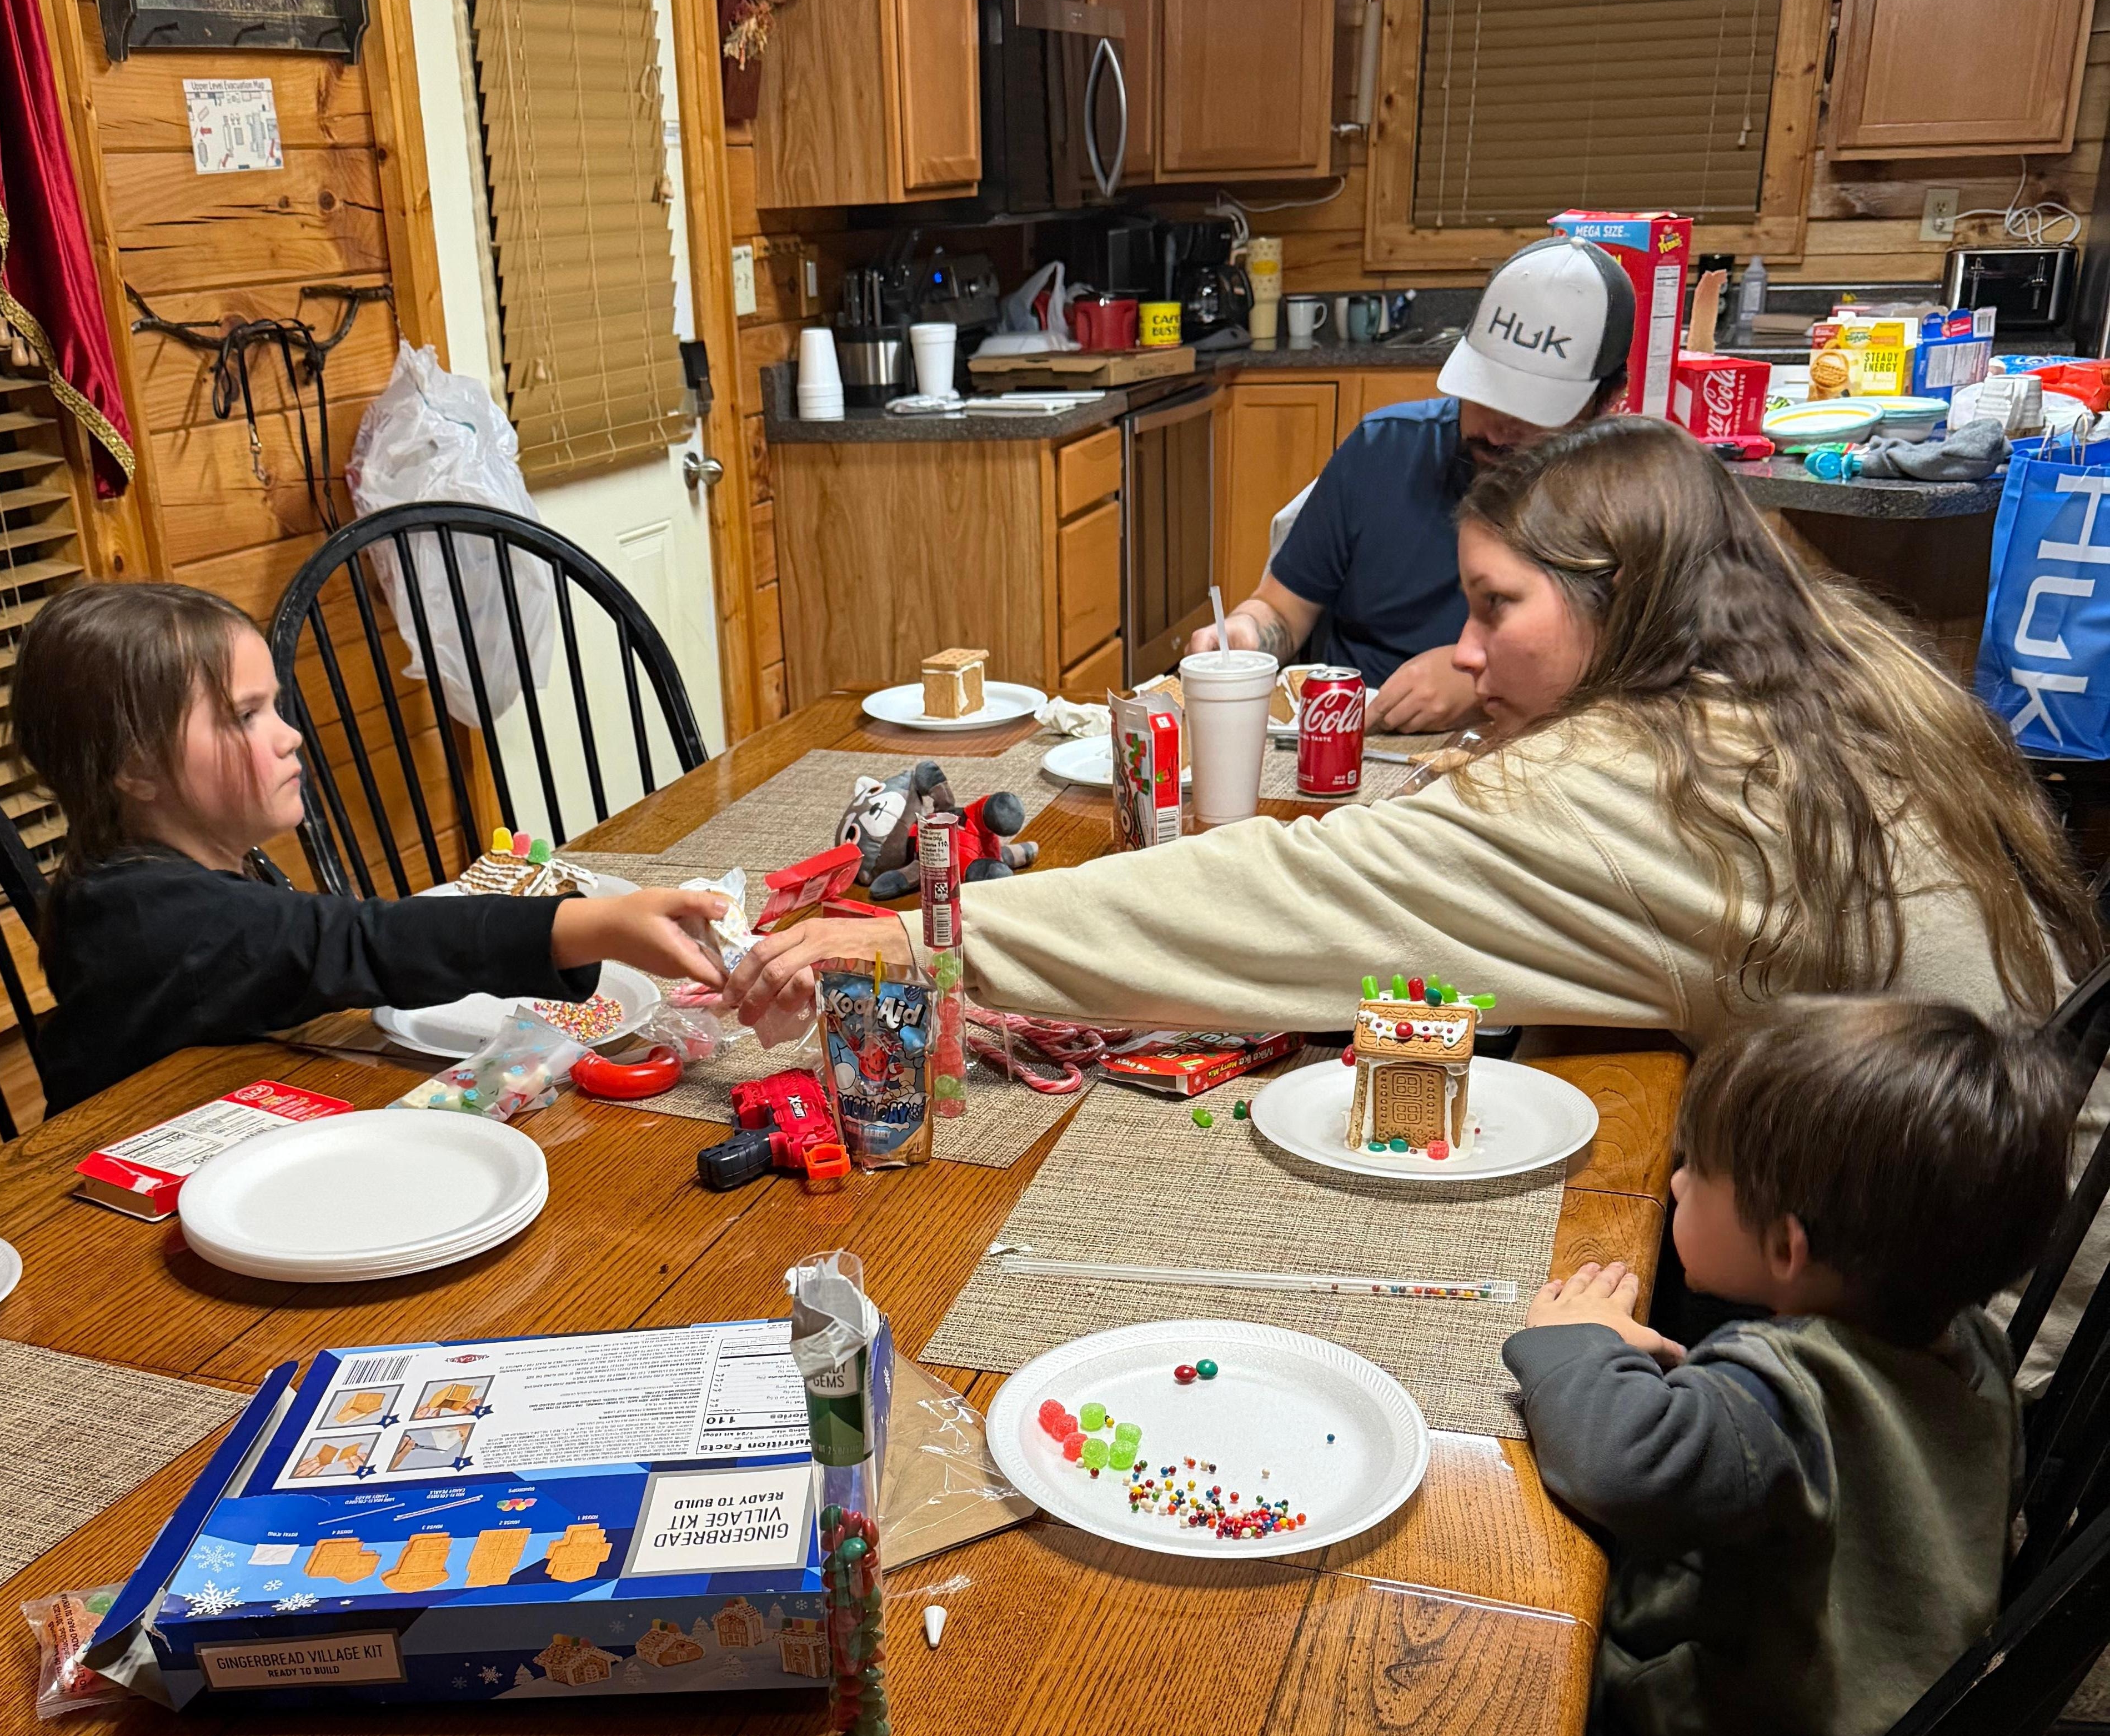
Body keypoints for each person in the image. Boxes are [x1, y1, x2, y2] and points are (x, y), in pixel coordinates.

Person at [722, 417, 2106, 1350]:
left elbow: (1274, 899)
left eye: (1499, 607)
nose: (1468, 647)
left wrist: (915, 933)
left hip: (1954, 1336)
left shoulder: (1641, 786)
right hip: (2022, 1241)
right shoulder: (1830, 661)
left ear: (1626, 601)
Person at [1504, 996, 2074, 1736]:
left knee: (1484, 1701)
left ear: (1785, 1248)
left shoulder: (1782, 1410)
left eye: (1694, 1172)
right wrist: (1676, 1375)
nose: (1674, 1183)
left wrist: (1570, 1347)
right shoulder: (1965, 1348)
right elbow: (1778, 1454)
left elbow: (1613, 1460)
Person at [11, 579, 726, 1116]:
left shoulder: (177, 872)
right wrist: (591, 925)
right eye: (245, 715)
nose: (289, 734)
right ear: (135, 769)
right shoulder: (144, 913)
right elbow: (361, 942)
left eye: (275, 705)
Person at [1186, 235, 1636, 734]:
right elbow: (1280, 609)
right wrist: (1244, 635)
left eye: (1534, 409)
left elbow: (1637, 671)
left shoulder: (1630, 504)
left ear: (1609, 399)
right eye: (1489, 392)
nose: (1499, 429)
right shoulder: (1383, 451)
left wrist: (1486, 681)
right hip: (1352, 736)